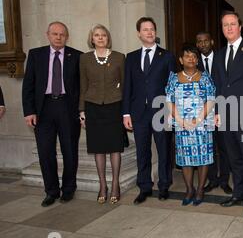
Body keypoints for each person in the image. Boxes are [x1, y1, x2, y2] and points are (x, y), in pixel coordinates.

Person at [22, 21, 82, 207]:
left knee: (70, 151)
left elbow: (82, 87)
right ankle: (51, 191)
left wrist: (81, 110)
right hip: (43, 109)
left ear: (67, 36)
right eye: (55, 34)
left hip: (68, 108)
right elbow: (28, 85)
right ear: (47, 35)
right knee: (45, 152)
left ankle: (69, 189)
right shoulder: (35, 55)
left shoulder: (77, 56)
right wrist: (29, 111)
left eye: (62, 34)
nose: (58, 37)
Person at [213, 11, 243, 219]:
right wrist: (216, 112)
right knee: (234, 159)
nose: (229, 28)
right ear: (222, 29)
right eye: (225, 25)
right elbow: (218, 86)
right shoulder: (219, 54)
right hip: (225, 115)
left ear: (240, 27)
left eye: (233, 24)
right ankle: (238, 193)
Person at [122, 17, 175, 204]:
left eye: (152, 29)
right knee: (142, 151)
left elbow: (172, 87)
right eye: (145, 29)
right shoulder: (131, 57)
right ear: (139, 33)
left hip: (161, 112)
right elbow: (127, 86)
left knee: (163, 151)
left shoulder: (167, 56)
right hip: (138, 113)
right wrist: (126, 113)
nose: (149, 32)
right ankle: (144, 187)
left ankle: (164, 185)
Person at [79, 24, 125, 204]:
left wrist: (125, 111)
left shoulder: (120, 57)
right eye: (96, 35)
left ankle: (115, 184)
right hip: (93, 107)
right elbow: (83, 85)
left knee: (115, 147)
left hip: (114, 106)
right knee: (98, 148)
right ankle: (102, 185)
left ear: (108, 38)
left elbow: (125, 84)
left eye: (103, 35)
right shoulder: (84, 59)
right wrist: (82, 110)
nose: (100, 38)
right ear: (92, 39)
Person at [166, 44, 215, 205]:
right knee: (185, 159)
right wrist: (181, 121)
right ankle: (189, 189)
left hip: (202, 125)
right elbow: (169, 101)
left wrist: (198, 119)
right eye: (187, 56)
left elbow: (211, 99)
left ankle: (200, 189)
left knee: (203, 158)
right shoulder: (174, 78)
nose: (191, 59)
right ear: (181, 60)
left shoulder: (205, 77)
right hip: (182, 125)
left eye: (194, 56)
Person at [195, 31, 232, 195]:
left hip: (222, 111)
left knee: (224, 148)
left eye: (205, 41)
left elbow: (226, 85)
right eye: (199, 42)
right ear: (197, 45)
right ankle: (212, 179)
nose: (203, 44)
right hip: (203, 114)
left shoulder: (222, 58)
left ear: (212, 42)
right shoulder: (193, 63)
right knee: (207, 147)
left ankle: (224, 180)